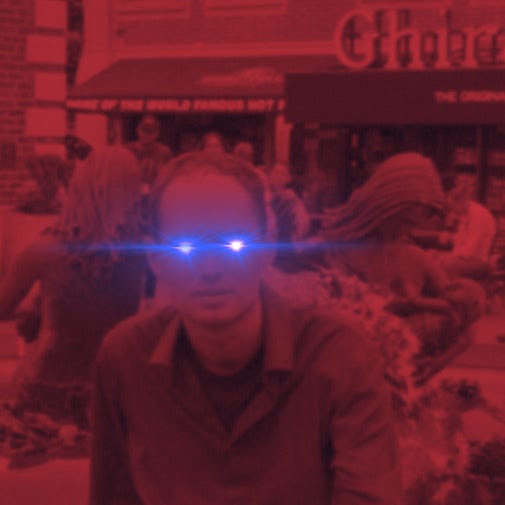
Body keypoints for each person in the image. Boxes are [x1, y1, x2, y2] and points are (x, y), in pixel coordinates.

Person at [90, 151, 402, 505]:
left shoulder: (337, 355)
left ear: (267, 247)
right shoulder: (125, 359)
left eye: (234, 243)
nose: (210, 268)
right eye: (185, 246)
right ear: (155, 257)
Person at [0, 147, 146, 440]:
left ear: (78, 186)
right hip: (112, 392)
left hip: (44, 392)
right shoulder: (143, 251)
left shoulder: (45, 250)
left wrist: (34, 308)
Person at [322, 152, 486, 366]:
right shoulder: (338, 251)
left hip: (397, 358)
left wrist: (436, 362)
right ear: (386, 203)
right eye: (403, 220)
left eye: (411, 224)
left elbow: (463, 318)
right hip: (349, 358)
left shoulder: (415, 257)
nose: (407, 230)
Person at [437, 176, 497, 280]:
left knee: (442, 265)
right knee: (431, 256)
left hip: (478, 262)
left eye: (453, 208)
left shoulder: (478, 216)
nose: (452, 212)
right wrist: (451, 238)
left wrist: (446, 257)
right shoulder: (465, 215)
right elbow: (460, 243)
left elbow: (469, 252)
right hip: (465, 258)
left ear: (461, 203)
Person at [126, 114, 172, 192]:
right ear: (137, 129)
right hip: (132, 192)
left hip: (156, 193)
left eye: (150, 131)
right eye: (144, 130)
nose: (146, 134)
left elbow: (168, 178)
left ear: (157, 133)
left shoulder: (164, 152)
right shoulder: (127, 151)